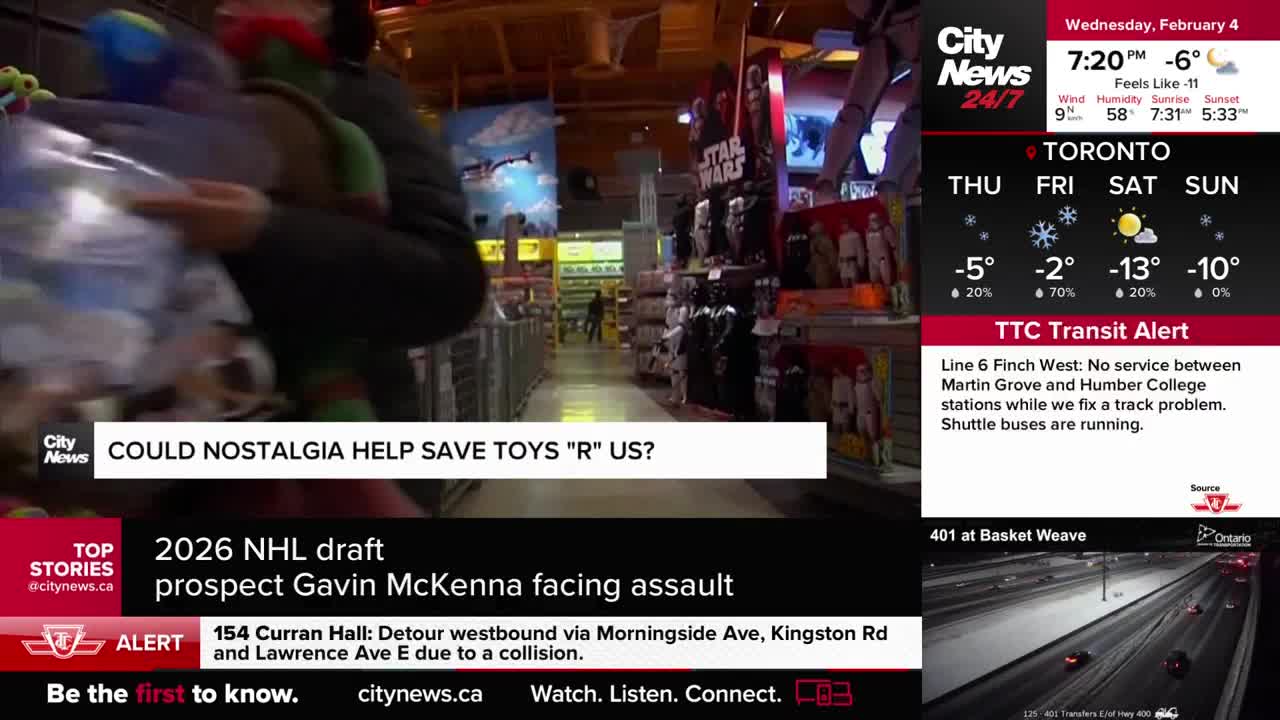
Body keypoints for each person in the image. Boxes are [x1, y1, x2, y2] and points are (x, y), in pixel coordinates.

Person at [132, 0, 486, 517]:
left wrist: (265, 231)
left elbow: (449, 282)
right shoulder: (187, 97)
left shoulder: (362, 101)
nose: (228, 7)